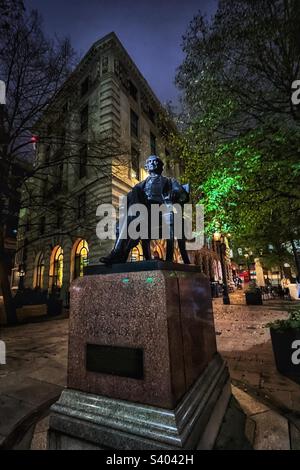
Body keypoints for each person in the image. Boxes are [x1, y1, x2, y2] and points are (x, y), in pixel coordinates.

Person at [100, 155, 190, 265]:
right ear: (146, 166)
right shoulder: (141, 185)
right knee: (126, 214)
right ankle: (119, 254)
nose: (152, 163)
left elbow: (184, 196)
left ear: (160, 166)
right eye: (149, 161)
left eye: (155, 161)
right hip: (143, 215)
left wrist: (175, 194)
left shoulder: (169, 181)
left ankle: (118, 253)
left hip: (160, 213)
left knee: (133, 205)